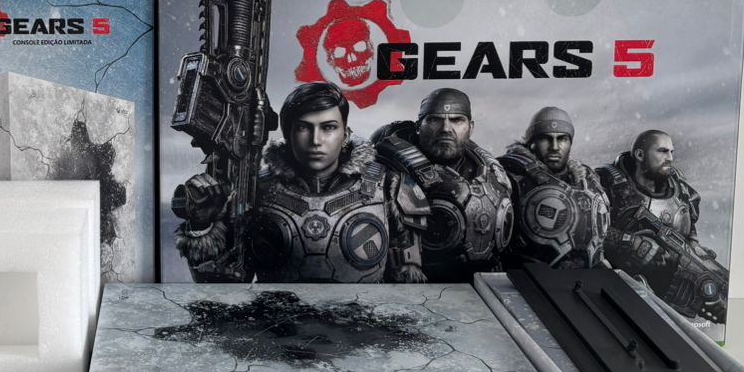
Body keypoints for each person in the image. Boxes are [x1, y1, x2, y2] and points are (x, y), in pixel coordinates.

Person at [175, 81, 429, 283]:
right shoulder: (254, 190)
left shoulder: (389, 186)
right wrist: (203, 225)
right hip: (278, 326)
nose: (316, 140)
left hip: (364, 325)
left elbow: (407, 286)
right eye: (304, 128)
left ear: (345, 134)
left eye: (328, 127)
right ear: (287, 134)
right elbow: (222, 285)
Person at [372, 87, 513, 280]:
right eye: (434, 120)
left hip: (481, 283)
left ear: (471, 127)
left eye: (457, 120)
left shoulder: (490, 172)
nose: (446, 128)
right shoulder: (387, 172)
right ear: (418, 126)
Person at [597, 129, 728, 322]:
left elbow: (689, 225)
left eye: (671, 152)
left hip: (666, 289)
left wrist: (695, 249)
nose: (670, 158)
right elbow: (585, 229)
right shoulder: (606, 183)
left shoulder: (680, 188)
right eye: (663, 151)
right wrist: (632, 244)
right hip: (615, 288)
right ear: (640, 155)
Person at [498, 106, 610, 268]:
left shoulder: (588, 179)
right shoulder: (508, 174)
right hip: (525, 274)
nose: (555, 147)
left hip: (585, 275)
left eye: (562, 139)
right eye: (546, 138)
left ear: (570, 142)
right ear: (531, 142)